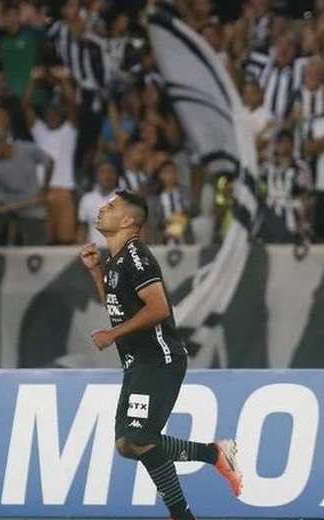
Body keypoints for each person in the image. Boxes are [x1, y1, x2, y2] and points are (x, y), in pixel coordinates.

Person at [78, 190, 242, 520]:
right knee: (127, 444)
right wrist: (97, 274)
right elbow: (118, 307)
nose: (102, 210)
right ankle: (211, 460)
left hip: (159, 359)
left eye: (110, 207)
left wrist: (112, 335)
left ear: (127, 220)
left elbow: (158, 308)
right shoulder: (116, 259)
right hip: (138, 362)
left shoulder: (137, 256)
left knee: (139, 436)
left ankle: (187, 506)